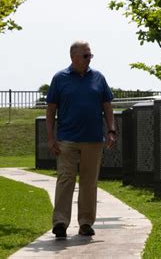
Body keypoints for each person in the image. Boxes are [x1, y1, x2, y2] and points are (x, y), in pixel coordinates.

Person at [46, 40, 116, 239]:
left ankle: (85, 223)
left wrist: (111, 130)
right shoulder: (59, 79)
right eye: (85, 55)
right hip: (67, 140)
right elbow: (50, 111)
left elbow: (107, 107)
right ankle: (60, 222)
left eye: (90, 55)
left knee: (88, 182)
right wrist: (51, 138)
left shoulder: (98, 78)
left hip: (93, 139)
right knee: (65, 179)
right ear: (73, 57)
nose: (89, 59)